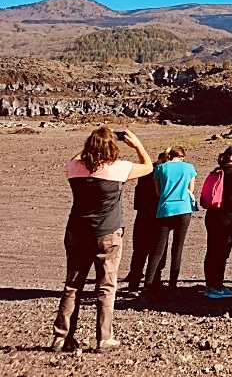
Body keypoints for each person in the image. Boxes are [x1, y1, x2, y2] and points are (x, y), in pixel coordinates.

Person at [52, 127, 153, 353]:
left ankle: (61, 336)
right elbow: (147, 167)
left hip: (77, 232)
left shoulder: (74, 169)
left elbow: (75, 159)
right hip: (107, 233)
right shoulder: (118, 169)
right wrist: (136, 144)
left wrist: (91, 145)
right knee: (106, 286)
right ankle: (104, 338)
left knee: (72, 285)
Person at [143, 146, 197, 298]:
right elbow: (191, 190)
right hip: (183, 209)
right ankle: (172, 286)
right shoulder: (189, 168)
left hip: (165, 210)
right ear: (182, 157)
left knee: (157, 250)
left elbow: (158, 192)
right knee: (177, 248)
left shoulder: (160, 168)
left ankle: (148, 285)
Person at [204, 145, 232, 299]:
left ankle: (211, 285)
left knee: (212, 250)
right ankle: (217, 286)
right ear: (231, 157)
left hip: (212, 214)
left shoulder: (218, 170)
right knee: (221, 251)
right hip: (226, 216)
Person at [124, 149, 168, 296]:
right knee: (158, 251)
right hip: (157, 216)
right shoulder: (162, 173)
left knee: (139, 252)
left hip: (142, 216)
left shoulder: (145, 172)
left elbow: (138, 197)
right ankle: (154, 281)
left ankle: (134, 284)